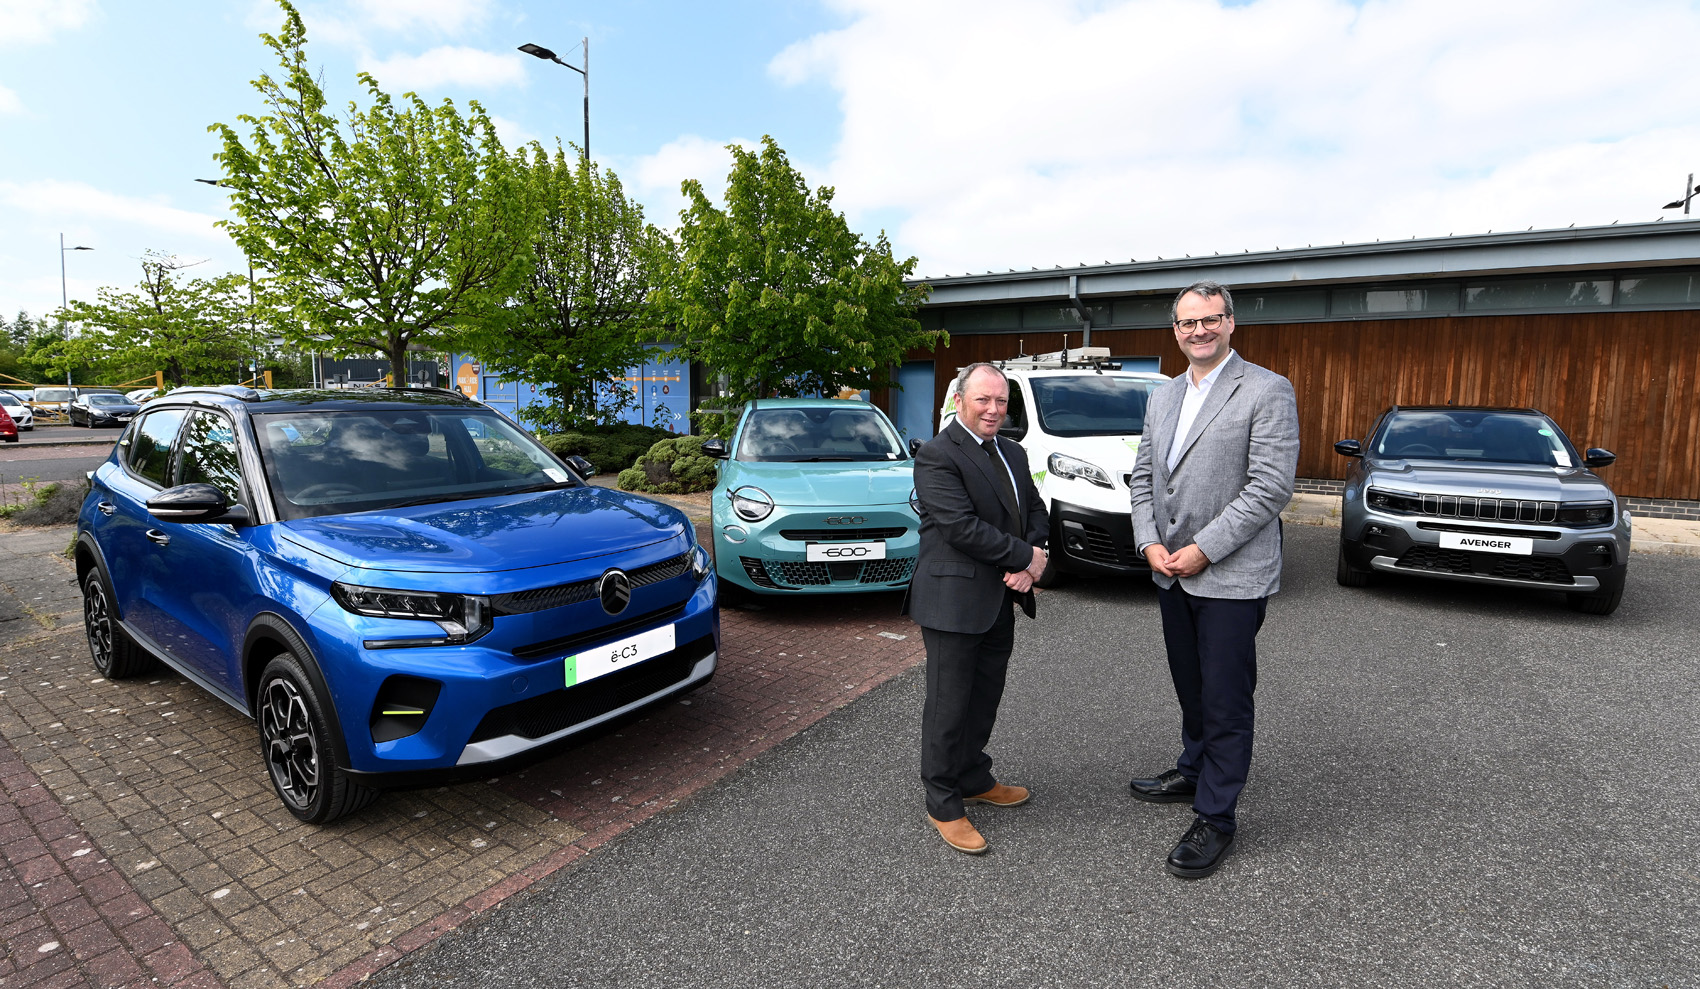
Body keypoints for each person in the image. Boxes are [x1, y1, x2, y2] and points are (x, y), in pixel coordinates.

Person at [1126, 280, 1300, 879]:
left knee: (1225, 699)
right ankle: (1194, 768)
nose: (1198, 330)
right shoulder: (1163, 396)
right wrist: (1148, 541)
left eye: (1210, 319)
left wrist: (1204, 549)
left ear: (1230, 323)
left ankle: (1217, 816)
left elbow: (1270, 487)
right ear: (1175, 331)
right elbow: (1144, 477)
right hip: (1170, 572)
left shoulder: (1267, 390)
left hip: (1231, 576)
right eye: (1187, 322)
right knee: (1191, 686)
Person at [907, 363, 1050, 854]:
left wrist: (1032, 558)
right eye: (983, 400)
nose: (993, 410)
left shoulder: (1012, 451)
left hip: (1000, 597)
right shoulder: (936, 454)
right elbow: (960, 527)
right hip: (952, 601)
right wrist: (1024, 558)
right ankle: (943, 801)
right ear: (959, 401)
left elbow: (1035, 509)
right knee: (948, 705)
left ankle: (971, 776)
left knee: (985, 696)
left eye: (1001, 401)